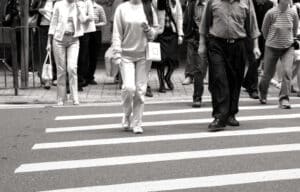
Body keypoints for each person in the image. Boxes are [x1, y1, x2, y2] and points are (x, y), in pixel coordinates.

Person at [198, 0, 261, 131]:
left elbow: (252, 25)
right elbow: (204, 24)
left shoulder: (246, 2)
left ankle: (231, 114)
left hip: (238, 45)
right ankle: (220, 117)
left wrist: (255, 46)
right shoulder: (213, 1)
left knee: (235, 80)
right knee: (219, 78)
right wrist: (202, 44)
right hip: (216, 44)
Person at [112, 0, 158, 134]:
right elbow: (116, 33)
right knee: (129, 87)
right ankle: (126, 115)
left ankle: (137, 122)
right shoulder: (122, 9)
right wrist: (117, 53)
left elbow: (154, 33)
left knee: (140, 90)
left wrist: (148, 29)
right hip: (126, 56)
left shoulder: (148, 8)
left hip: (144, 56)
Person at [47, 0, 92, 105]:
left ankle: (74, 97)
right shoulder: (58, 4)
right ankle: (61, 98)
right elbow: (53, 23)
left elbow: (83, 20)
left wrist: (79, 9)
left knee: (72, 68)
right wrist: (48, 42)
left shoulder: (80, 5)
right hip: (58, 40)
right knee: (61, 70)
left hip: (74, 39)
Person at [258, 0, 299, 109]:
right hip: (271, 47)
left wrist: (291, 39)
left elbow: (294, 30)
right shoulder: (271, 13)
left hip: (288, 47)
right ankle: (262, 93)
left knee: (287, 72)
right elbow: (264, 30)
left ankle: (284, 99)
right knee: (268, 74)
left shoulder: (293, 13)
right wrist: (271, 40)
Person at [242, 0, 274, 99]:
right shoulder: (249, 3)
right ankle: (253, 89)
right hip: (250, 35)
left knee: (257, 61)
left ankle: (246, 82)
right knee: (254, 60)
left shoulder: (270, 5)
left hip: (264, 36)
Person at [153, 0, 184, 93]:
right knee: (160, 60)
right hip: (160, 34)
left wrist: (180, 34)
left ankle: (167, 77)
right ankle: (161, 83)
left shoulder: (175, 2)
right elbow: (152, 15)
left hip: (172, 33)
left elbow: (179, 18)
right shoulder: (155, 2)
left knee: (173, 60)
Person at [183, 0, 207, 107]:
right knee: (199, 69)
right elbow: (186, 20)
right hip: (196, 39)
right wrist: (189, 36)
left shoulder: (214, 3)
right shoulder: (193, 4)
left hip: (214, 39)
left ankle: (218, 96)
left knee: (217, 71)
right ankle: (197, 97)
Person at [30, 0, 57, 89]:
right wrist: (39, 10)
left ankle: (54, 77)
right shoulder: (40, 1)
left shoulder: (58, 2)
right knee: (44, 53)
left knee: (55, 53)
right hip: (43, 28)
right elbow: (30, 10)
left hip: (56, 29)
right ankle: (46, 79)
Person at [84, 0, 107, 85]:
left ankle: (90, 77)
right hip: (86, 32)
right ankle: (84, 76)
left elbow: (104, 22)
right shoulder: (84, 7)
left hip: (96, 33)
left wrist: (94, 24)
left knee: (94, 55)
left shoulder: (99, 8)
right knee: (85, 55)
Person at [77, 0, 95, 91]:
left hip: (85, 32)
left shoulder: (88, 1)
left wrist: (82, 18)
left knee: (82, 57)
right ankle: (73, 81)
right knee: (74, 58)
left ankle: (80, 80)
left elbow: (91, 17)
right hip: (74, 31)